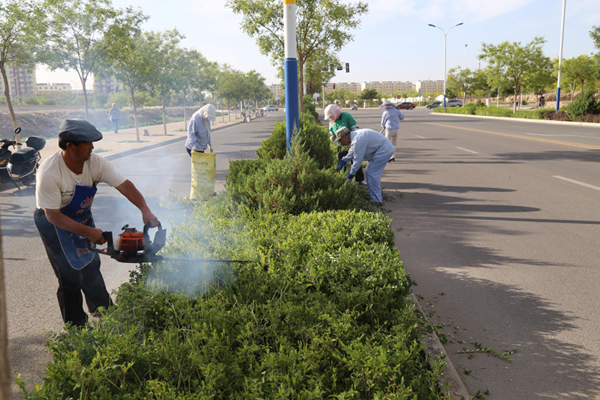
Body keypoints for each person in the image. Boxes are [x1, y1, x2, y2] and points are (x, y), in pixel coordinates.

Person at [34, 119, 159, 328]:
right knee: (69, 274)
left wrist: (145, 210)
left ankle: (101, 309)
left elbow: (125, 186)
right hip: (53, 221)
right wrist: (89, 232)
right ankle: (77, 328)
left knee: (92, 264)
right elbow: (53, 215)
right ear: (70, 147)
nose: (92, 147)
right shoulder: (49, 172)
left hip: (81, 216)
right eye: (87, 143)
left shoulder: (95, 163)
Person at [334, 127, 395, 203]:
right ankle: (374, 197)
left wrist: (351, 174)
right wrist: (343, 160)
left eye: (340, 140)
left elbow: (357, 161)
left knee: (371, 173)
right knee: (371, 172)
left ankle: (376, 200)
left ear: (345, 137)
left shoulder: (357, 140)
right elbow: (352, 152)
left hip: (384, 150)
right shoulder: (355, 136)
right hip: (383, 148)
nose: (341, 143)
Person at [324, 103, 365, 184]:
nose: (330, 118)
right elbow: (330, 130)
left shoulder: (346, 116)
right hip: (340, 144)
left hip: (351, 142)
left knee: (355, 160)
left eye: (331, 116)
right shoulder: (331, 120)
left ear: (334, 112)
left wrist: (352, 141)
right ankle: (342, 178)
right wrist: (332, 135)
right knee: (341, 160)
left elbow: (355, 128)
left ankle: (360, 179)